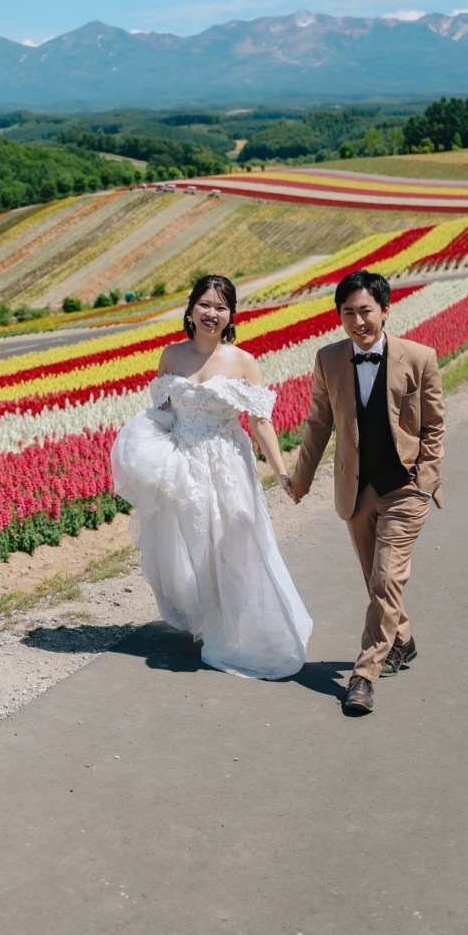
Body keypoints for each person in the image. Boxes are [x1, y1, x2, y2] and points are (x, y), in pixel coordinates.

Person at [110, 274, 311, 680]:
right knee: (197, 542)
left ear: (231, 315)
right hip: (184, 464)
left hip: (228, 464)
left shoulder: (242, 361)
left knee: (234, 543)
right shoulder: (171, 357)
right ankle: (214, 624)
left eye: (221, 307)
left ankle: (240, 629)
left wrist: (283, 471)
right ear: (190, 308)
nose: (212, 313)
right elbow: (162, 414)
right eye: (205, 304)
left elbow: (260, 422)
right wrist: (145, 457)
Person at [291, 269, 445, 715]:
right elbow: (319, 422)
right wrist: (301, 479)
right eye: (348, 313)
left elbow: (434, 424)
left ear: (385, 310)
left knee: (385, 578)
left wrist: (426, 481)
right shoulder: (328, 359)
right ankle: (403, 639)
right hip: (356, 489)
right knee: (375, 580)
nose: (358, 322)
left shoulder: (420, 357)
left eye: (365, 312)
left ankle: (364, 675)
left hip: (404, 488)